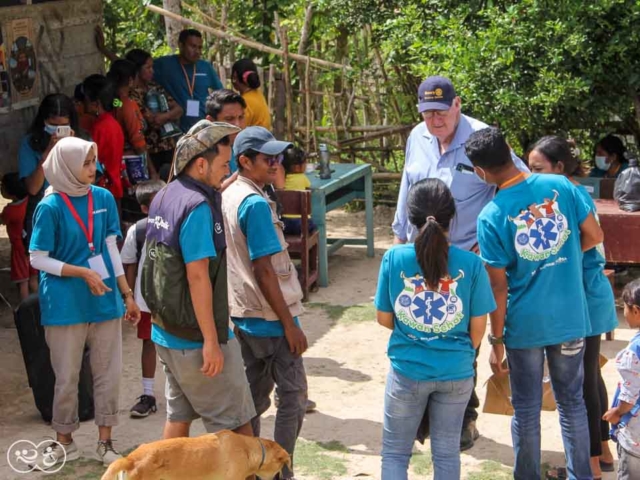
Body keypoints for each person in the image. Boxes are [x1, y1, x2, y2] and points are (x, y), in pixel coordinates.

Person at [392, 75, 529, 450]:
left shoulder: (482, 139)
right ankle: (424, 415)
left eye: (441, 112)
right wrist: (400, 238)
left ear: (457, 105)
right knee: (420, 328)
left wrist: (494, 243)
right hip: (418, 255)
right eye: (426, 113)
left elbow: (519, 183)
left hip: (469, 258)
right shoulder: (417, 137)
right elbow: (408, 187)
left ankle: (463, 415)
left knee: (465, 336)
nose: (434, 121)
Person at [465, 127, 604, 480]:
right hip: (571, 318)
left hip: (525, 325)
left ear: (480, 172)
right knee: (572, 403)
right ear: (510, 150)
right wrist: (564, 255)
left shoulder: (491, 216)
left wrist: (496, 343)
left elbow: (498, 288)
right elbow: (595, 236)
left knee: (525, 409)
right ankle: (580, 476)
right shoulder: (562, 186)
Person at [29, 137, 140, 467]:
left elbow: (109, 248)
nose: (93, 169)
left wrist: (127, 294)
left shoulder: (103, 198)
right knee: (67, 376)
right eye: (86, 163)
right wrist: (80, 272)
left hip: (104, 300)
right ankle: (64, 440)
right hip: (65, 305)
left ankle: (105, 442)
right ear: (66, 166)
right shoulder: (49, 207)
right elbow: (37, 258)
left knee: (109, 373)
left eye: (94, 162)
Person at [140, 120, 255, 440]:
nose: (227, 169)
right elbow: (197, 276)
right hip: (195, 339)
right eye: (222, 165)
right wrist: (210, 342)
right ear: (200, 164)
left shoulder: (166, 194)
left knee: (179, 418)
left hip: (165, 333)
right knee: (237, 427)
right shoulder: (197, 208)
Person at [375, 178, 496, 479]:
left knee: (395, 453)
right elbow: (477, 330)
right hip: (456, 372)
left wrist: (415, 331)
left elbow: (384, 318)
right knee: (445, 454)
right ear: (452, 217)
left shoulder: (394, 258)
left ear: (410, 216)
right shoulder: (471, 264)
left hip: (407, 372)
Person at [528, 135, 618, 477]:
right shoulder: (569, 193)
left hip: (584, 295)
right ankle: (603, 451)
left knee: (582, 382)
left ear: (559, 167)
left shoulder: (570, 196)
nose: (532, 175)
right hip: (590, 294)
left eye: (538, 168)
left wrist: (557, 259)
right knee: (591, 376)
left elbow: (593, 238)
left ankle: (590, 465)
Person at [222, 126, 308, 479]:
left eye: (277, 156)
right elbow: (265, 270)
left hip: (244, 315)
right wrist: (290, 325)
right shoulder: (254, 204)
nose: (276, 163)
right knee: (294, 397)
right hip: (271, 319)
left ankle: (251, 469)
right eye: (267, 158)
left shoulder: (231, 193)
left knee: (254, 400)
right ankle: (279, 470)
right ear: (245, 161)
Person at [120, 179, 166, 418]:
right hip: (147, 301)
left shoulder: (181, 225)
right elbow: (129, 263)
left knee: (182, 345)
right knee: (149, 343)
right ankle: (148, 394)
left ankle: (188, 393)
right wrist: (130, 299)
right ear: (145, 209)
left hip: (175, 301)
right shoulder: (137, 231)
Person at [18, 94, 79, 250]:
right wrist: (47, 154)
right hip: (44, 214)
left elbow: (88, 181)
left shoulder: (82, 141)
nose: (57, 131)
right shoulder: (31, 143)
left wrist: (72, 150)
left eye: (63, 126)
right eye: (53, 124)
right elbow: (33, 188)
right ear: (43, 121)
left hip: (75, 212)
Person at [125, 49, 183, 181]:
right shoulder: (131, 95)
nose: (152, 71)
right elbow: (150, 120)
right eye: (148, 67)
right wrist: (169, 115)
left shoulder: (155, 87)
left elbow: (179, 109)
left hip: (168, 145)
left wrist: (163, 117)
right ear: (137, 70)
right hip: (150, 152)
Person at [604, 279, 640, 480]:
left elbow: (630, 396)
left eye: (623, 307)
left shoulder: (634, 352)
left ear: (636, 310)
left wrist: (617, 412)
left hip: (636, 437)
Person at [152, 29, 222, 132]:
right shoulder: (165, 65)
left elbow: (220, 93)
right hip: (176, 131)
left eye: (200, 47)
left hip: (203, 128)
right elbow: (141, 69)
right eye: (193, 46)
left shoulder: (205, 67)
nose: (197, 51)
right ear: (181, 45)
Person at [108, 59, 157, 180]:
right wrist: (152, 172)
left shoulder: (113, 102)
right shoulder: (127, 105)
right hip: (131, 165)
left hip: (114, 162)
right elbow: (138, 143)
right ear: (130, 80)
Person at [82, 74, 125, 203]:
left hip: (104, 189)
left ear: (96, 104)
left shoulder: (100, 127)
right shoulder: (111, 122)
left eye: (85, 99)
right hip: (114, 185)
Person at [1, 172, 37, 299]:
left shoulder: (10, 210)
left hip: (18, 248)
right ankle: (43, 303)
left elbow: (2, 220)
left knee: (23, 281)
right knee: (33, 278)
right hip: (31, 243)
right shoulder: (28, 202)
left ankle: (27, 310)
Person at [281, 145, 316, 235]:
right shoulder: (303, 178)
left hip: (285, 224)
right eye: (305, 163)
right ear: (297, 167)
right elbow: (309, 190)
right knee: (314, 226)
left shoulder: (282, 179)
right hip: (301, 224)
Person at [231, 58, 271, 129]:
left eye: (234, 78)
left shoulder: (245, 101)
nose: (233, 81)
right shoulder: (258, 94)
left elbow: (240, 128)